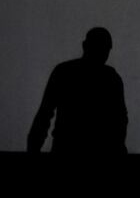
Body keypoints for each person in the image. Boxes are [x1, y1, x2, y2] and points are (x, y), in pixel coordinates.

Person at [27, 27, 128, 155]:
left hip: (67, 148)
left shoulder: (64, 72)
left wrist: (33, 149)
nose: (103, 53)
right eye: (102, 48)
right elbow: (120, 120)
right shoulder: (111, 78)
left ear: (85, 45)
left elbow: (44, 114)